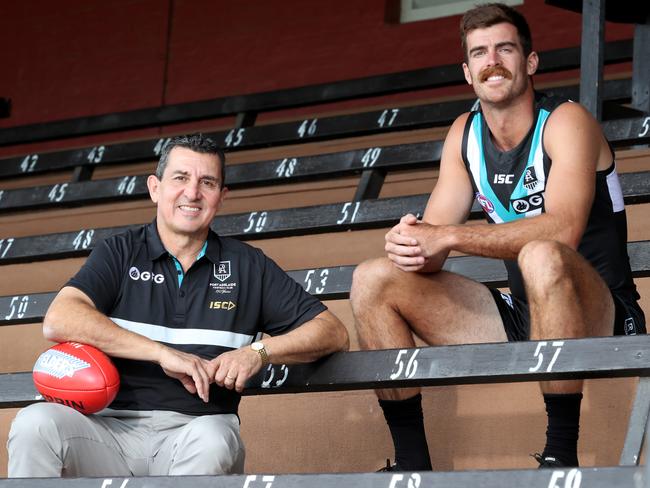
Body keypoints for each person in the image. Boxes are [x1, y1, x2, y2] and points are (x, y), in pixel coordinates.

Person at [350, 3, 645, 470]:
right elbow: (430, 255)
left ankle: (560, 453)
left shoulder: (566, 122)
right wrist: (411, 242)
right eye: (480, 53)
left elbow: (563, 231)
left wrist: (446, 235)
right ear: (468, 72)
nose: (493, 61)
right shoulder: (464, 134)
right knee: (373, 278)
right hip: (526, 313)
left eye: (505, 49)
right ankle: (411, 461)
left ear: (529, 62)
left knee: (542, 255)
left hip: (601, 312)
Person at [8, 133, 349, 477]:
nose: (193, 193)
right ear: (155, 188)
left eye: (207, 182)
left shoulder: (247, 265)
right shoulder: (121, 252)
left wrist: (256, 353)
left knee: (215, 439)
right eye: (181, 178)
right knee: (35, 423)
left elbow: (331, 332)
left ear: (221, 196)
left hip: (194, 431)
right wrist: (161, 353)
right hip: (106, 432)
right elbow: (60, 318)